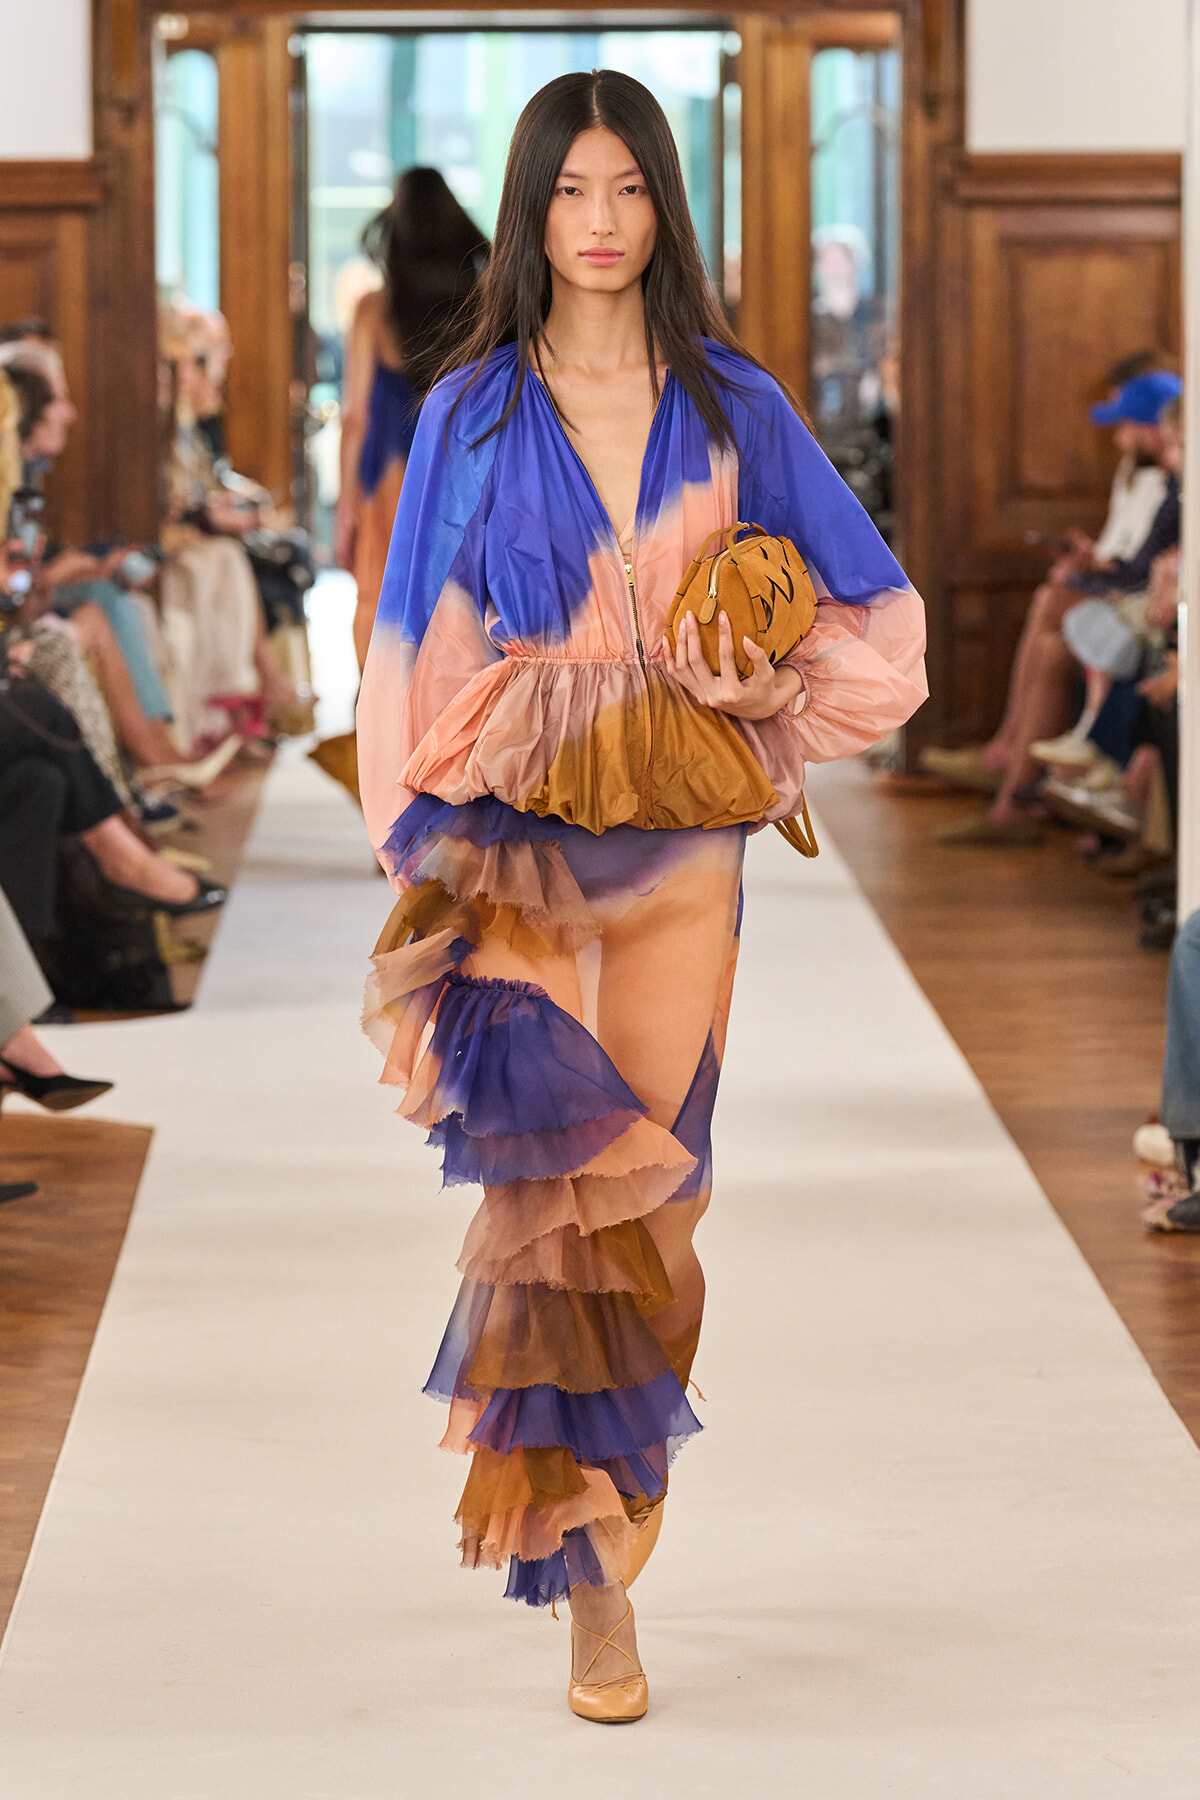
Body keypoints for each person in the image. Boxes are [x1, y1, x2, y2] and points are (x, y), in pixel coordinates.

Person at [357, 71, 926, 1722]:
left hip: (682, 843)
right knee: (551, 1212)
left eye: (628, 191)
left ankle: (631, 1443)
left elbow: (875, 625)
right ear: (531, 216)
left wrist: (769, 697)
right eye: (568, 194)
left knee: (658, 1210)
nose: (599, 225)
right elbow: (408, 650)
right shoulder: (469, 413)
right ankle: (594, 1582)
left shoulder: (738, 405)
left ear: (665, 210)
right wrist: (415, 866)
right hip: (507, 835)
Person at [336, 167, 488, 670]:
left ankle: (379, 729)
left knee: (373, 602)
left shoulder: (373, 311)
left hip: (388, 478)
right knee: (462, 611)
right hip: (463, 475)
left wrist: (345, 509)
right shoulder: (482, 306)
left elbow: (355, 416)